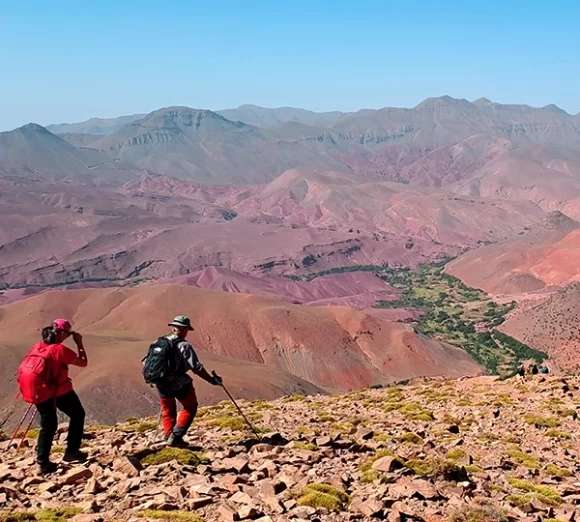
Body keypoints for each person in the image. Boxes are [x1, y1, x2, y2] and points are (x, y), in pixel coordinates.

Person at [20, 319, 88, 475]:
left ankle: (43, 462)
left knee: (48, 425)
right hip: (58, 390)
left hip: (38, 391)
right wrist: (79, 343)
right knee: (78, 414)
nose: (68, 336)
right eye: (68, 334)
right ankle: (72, 452)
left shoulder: (36, 346)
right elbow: (83, 363)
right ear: (62, 333)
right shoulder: (59, 349)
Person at [155, 315, 222, 447]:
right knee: (190, 407)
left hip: (160, 382)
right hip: (179, 382)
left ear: (173, 327)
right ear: (185, 330)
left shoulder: (158, 342)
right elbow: (196, 367)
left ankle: (168, 436)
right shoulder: (184, 346)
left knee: (168, 409)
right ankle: (175, 436)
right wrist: (211, 380)